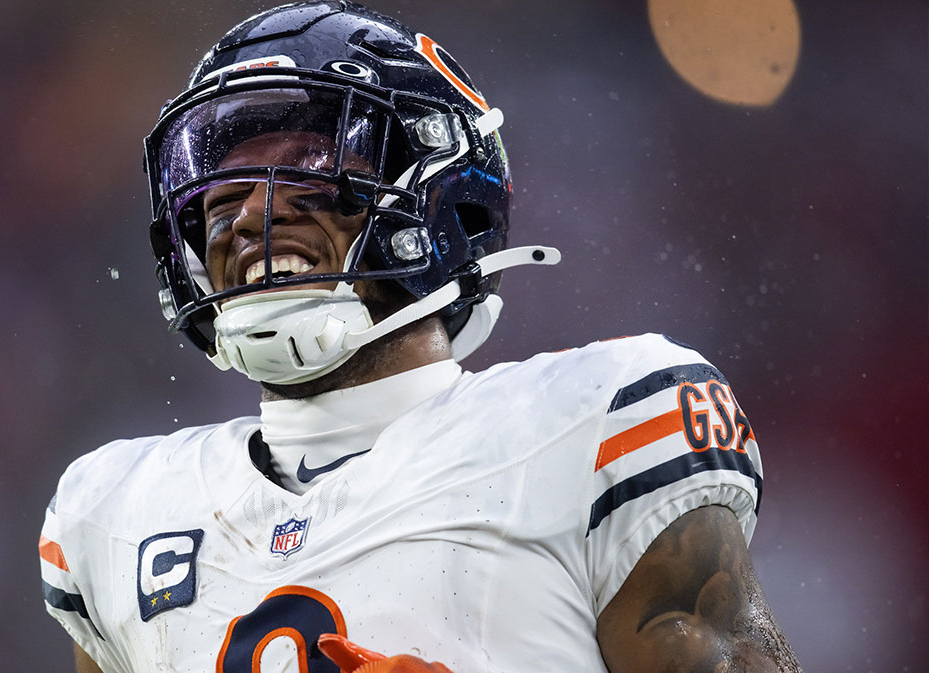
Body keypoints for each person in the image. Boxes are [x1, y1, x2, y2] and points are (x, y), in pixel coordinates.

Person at [39, 3, 804, 672]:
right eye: (220, 194)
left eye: (306, 168)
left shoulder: (595, 423)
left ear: (440, 197)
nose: (245, 216)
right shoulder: (113, 512)